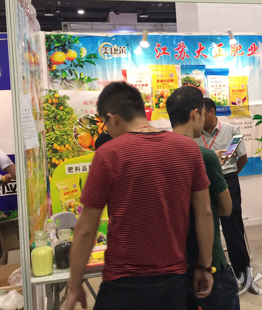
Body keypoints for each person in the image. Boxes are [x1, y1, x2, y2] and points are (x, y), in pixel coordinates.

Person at [66, 82, 214, 310]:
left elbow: (86, 228)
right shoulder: (188, 148)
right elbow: (204, 211)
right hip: (174, 281)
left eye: (105, 124)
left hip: (123, 284)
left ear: (112, 118)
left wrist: (75, 285)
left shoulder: (108, 154)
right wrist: (204, 266)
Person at [167, 86, 240, 310]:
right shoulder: (205, 157)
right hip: (207, 258)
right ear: (195, 114)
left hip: (174, 260)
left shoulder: (158, 154)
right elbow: (226, 208)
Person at [194, 99, 258, 294]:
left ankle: (245, 277)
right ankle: (210, 273)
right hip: (203, 184)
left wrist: (231, 175)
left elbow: (242, 158)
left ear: (212, 112)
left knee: (234, 231)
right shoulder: (195, 133)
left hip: (228, 180)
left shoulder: (230, 130)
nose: (199, 117)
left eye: (203, 113)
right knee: (204, 228)